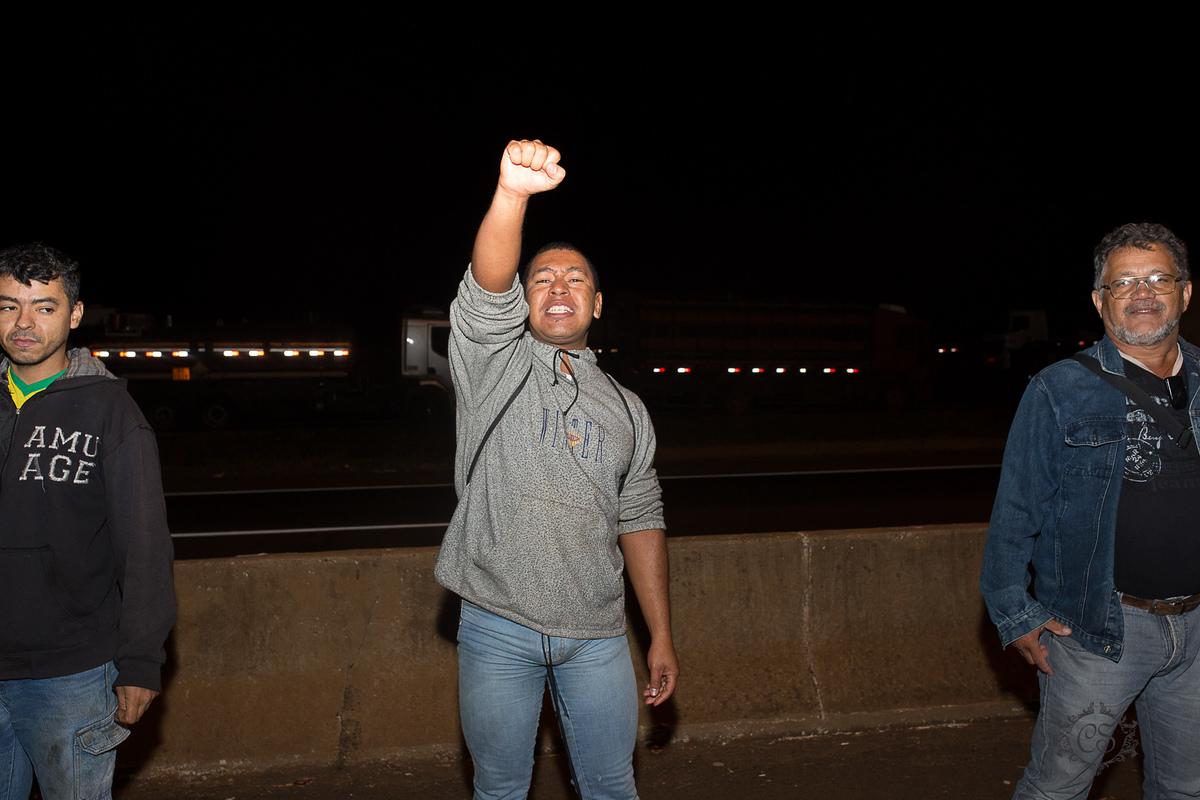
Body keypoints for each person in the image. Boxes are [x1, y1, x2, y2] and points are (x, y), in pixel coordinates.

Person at [434, 139, 678, 800]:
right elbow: (486, 292)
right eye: (542, 279)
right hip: (496, 626)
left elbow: (640, 516)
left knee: (611, 787)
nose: (559, 287)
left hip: (598, 637)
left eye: (575, 279)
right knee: (501, 790)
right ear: (526, 300)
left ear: (597, 305)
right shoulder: (493, 365)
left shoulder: (628, 409)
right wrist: (512, 192)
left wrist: (658, 634)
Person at [981, 222, 1200, 798]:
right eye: (1124, 283)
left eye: (1158, 278)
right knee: (1058, 787)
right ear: (1101, 301)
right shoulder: (1058, 389)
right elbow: (1015, 510)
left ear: (1185, 292)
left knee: (1187, 786)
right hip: (1100, 631)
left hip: (1198, 630)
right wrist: (1013, 610)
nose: (1143, 293)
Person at [0, 243, 176, 800]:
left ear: (74, 315)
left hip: (70, 675)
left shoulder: (110, 411)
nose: (24, 323)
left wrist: (142, 662)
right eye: (8, 306)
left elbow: (144, 546)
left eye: (44, 307)